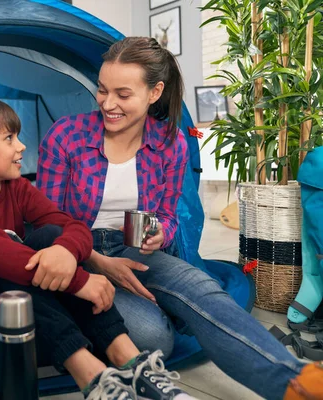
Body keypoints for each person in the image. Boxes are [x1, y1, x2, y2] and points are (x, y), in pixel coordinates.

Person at [36, 36, 323, 400]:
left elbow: (169, 217)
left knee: (203, 291)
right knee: (155, 339)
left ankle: (295, 383)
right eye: (102, 90)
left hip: (136, 250)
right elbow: (46, 222)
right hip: (78, 252)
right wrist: (99, 263)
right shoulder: (67, 135)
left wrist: (158, 233)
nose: (108, 103)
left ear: (154, 92)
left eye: (123, 95)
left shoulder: (170, 144)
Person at [0, 97, 197, 400]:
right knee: (5, 249)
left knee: (51, 237)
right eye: (9, 139)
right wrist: (79, 280)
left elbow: (73, 227)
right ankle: (92, 375)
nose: (22, 146)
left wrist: (66, 253)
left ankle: (130, 362)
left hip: (26, 302)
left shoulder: (17, 189)